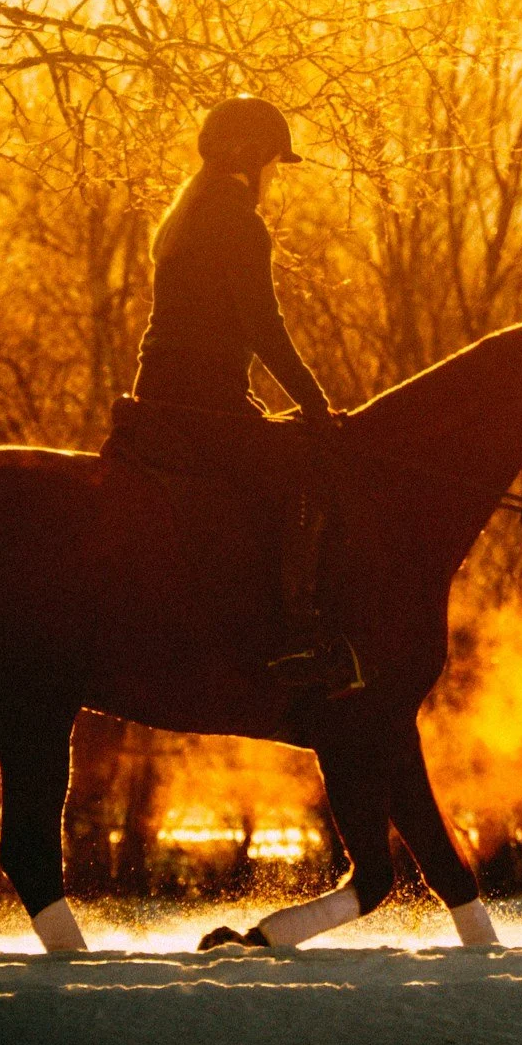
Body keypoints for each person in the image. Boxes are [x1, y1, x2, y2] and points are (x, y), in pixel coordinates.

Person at [117, 95, 357, 693]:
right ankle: (294, 643)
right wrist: (315, 403)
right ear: (249, 157)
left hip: (166, 395)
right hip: (203, 404)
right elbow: (263, 326)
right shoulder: (236, 222)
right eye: (273, 164)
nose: (273, 178)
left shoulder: (187, 214)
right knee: (306, 474)